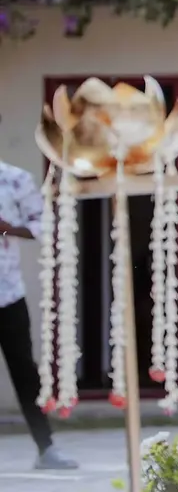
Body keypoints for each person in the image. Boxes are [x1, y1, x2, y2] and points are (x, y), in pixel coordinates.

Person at [0, 157, 78, 471]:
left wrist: (7, 229)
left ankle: (46, 449)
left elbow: (43, 225)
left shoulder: (14, 178)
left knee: (24, 372)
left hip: (7, 293)